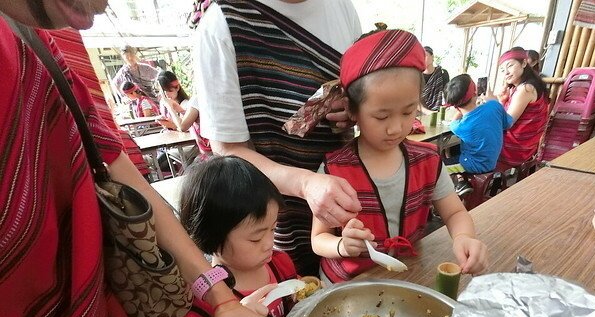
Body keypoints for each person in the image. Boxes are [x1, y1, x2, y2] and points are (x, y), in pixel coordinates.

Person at [0, 0, 357, 317]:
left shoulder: (42, 44)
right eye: (256, 235)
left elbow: (129, 182)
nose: (108, 5)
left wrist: (221, 298)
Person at [192, 0, 363, 276]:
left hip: (343, 196)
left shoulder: (342, 7)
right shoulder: (222, 23)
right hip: (277, 213)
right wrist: (306, 184)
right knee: (291, 284)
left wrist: (355, 106)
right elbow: (228, 149)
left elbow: (360, 88)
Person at [310, 30, 489, 284]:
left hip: (404, 277)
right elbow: (318, 239)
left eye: (408, 112)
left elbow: (454, 213)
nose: (396, 128)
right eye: (382, 116)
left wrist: (464, 238)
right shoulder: (334, 170)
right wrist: (341, 245)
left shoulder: (427, 161)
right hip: (347, 286)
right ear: (352, 110)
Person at [142, 156, 306, 317]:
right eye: (255, 238)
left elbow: (298, 295)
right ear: (212, 238)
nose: (269, 243)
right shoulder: (208, 301)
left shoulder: (280, 264)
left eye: (272, 229)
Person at [487, 47, 549, 170]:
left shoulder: (525, 89)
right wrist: (502, 100)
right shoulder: (522, 87)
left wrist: (493, 102)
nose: (506, 72)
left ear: (524, 63)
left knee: (472, 142)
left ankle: (465, 181)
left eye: (510, 66)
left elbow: (506, 123)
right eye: (502, 69)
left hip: (515, 148)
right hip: (525, 145)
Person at [443, 74, 513, 176]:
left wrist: (459, 109)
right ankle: (462, 182)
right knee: (456, 151)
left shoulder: (458, 127)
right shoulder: (494, 105)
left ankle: (461, 183)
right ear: (475, 93)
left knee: (437, 168)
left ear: (454, 106)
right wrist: (496, 101)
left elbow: (453, 122)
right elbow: (508, 124)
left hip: (472, 165)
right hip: (492, 161)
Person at [156, 70, 212, 154]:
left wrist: (171, 108)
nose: (166, 95)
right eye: (163, 92)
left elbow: (182, 127)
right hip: (206, 145)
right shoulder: (206, 98)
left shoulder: (194, 101)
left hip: (200, 146)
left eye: (168, 90)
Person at [420, 45, 449, 111]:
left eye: (425, 56)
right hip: (420, 112)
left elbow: (447, 93)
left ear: (432, 56)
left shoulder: (442, 73)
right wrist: (427, 111)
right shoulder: (417, 76)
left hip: (437, 110)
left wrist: (447, 106)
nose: (423, 59)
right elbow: (414, 99)